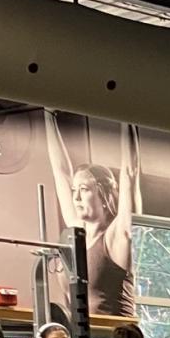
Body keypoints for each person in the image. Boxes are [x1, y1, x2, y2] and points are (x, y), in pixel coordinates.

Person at [47, 114, 135, 316]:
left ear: (103, 195)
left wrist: (129, 115)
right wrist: (48, 114)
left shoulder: (115, 238)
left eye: (84, 189)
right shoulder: (77, 231)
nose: (76, 197)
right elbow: (60, 172)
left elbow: (130, 172)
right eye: (74, 190)